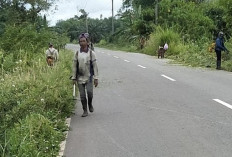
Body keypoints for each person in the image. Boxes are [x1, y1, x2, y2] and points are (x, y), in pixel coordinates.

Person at [71, 33, 99, 117]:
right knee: (82, 96)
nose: (82, 43)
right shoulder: (77, 53)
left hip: (89, 77)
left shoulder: (91, 53)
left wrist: (96, 78)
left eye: (84, 41)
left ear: (87, 42)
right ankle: (85, 110)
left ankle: (90, 104)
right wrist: (73, 77)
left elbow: (95, 66)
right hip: (80, 77)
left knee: (90, 93)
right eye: (80, 41)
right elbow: (74, 66)